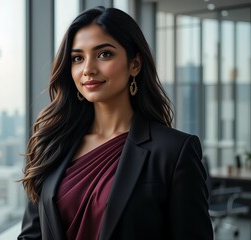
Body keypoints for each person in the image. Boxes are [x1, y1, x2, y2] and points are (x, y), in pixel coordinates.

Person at [18, 6, 213, 240]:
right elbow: (31, 236)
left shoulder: (174, 152)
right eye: (78, 58)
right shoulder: (52, 143)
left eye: (104, 54)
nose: (88, 69)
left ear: (135, 64)